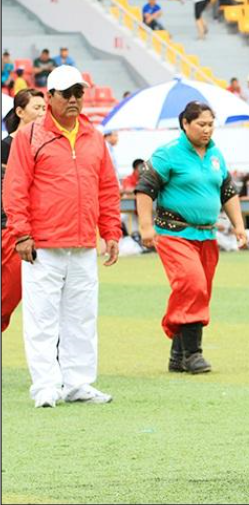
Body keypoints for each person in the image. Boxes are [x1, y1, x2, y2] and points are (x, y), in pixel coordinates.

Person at [3, 66, 121, 408]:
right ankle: (45, 385)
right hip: (43, 244)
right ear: (49, 97)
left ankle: (78, 382)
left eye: (78, 93)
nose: (73, 99)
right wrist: (21, 235)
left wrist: (111, 231)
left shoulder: (93, 136)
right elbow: (16, 189)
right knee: (42, 317)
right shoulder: (29, 138)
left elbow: (107, 188)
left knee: (82, 315)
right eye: (65, 93)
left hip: (83, 243)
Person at [135, 101, 247, 374]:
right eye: (201, 124)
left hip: (207, 235)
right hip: (173, 234)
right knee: (192, 284)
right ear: (185, 123)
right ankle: (194, 354)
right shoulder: (168, 154)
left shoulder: (215, 154)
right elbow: (144, 188)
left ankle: (178, 354)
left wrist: (239, 226)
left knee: (198, 291)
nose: (207, 130)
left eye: (211, 124)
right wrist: (145, 227)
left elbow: (227, 192)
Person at [1, 89, 46, 333]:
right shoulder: (5, 148)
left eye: (43, 108)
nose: (41, 113)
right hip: (9, 229)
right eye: (36, 108)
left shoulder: (46, 146)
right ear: (19, 112)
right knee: (8, 295)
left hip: (37, 230)